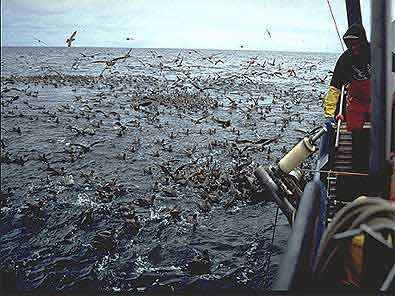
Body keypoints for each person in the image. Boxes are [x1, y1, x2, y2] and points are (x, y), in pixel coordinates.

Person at [323, 23, 371, 174]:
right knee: (357, 132)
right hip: (356, 100)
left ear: (362, 41)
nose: (353, 47)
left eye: (356, 43)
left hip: (377, 97)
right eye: (350, 44)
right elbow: (335, 87)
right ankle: (358, 171)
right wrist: (329, 114)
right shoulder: (345, 59)